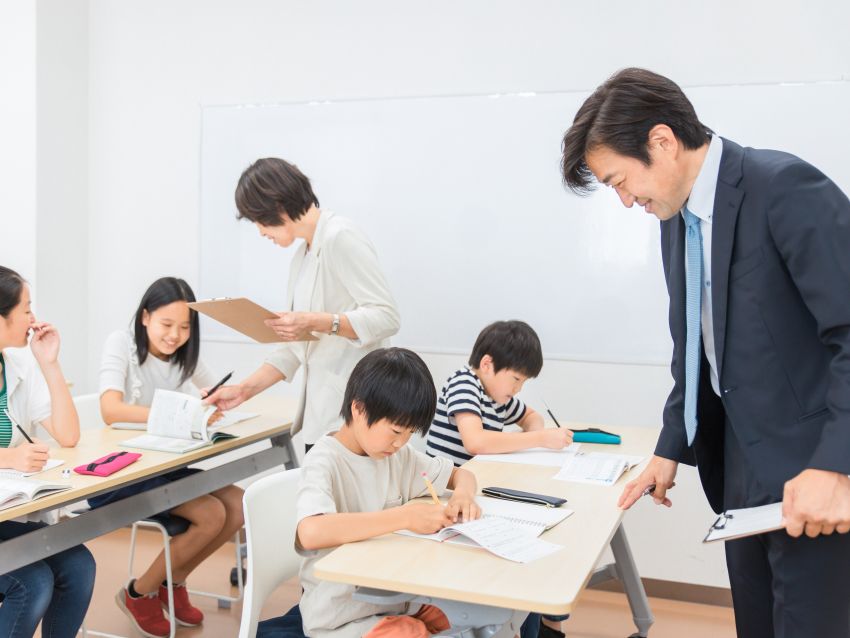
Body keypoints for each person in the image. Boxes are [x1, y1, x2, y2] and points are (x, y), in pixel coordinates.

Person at [561, 67, 850, 638]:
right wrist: (671, 447)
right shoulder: (676, 217)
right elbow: (698, 352)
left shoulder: (784, 187)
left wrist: (834, 465)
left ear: (662, 142)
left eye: (619, 181)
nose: (624, 201)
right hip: (740, 474)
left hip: (813, 474)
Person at [259, 347, 480, 638]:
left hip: (394, 599)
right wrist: (403, 517)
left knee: (471, 614)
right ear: (359, 409)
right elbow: (311, 531)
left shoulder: (397, 455)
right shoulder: (325, 460)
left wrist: (463, 495)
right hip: (340, 614)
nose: (402, 442)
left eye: (410, 434)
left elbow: (462, 474)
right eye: (396, 431)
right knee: (411, 632)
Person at [206, 158, 400, 454]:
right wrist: (243, 391)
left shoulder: (340, 237)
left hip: (355, 415)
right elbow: (295, 347)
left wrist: (316, 321)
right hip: (322, 418)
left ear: (278, 207)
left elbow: (386, 316)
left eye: (258, 220)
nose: (260, 232)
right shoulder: (303, 257)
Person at [92, 276, 244, 638]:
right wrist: (177, 413)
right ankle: (138, 592)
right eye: (166, 324)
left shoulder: (183, 355)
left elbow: (212, 391)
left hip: (165, 463)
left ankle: (171, 583)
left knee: (238, 504)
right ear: (145, 317)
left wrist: (210, 404)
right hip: (123, 470)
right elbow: (109, 409)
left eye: (184, 327)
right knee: (210, 515)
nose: (174, 335)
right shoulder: (121, 344)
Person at [425, 319, 571, 638]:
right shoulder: (465, 383)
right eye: (516, 379)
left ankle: (544, 625)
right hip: (449, 497)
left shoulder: (498, 397)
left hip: (480, 493)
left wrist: (536, 434)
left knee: (538, 541)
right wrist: (539, 440)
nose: (517, 389)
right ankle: (538, 625)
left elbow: (532, 417)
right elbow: (475, 442)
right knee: (526, 549)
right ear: (487, 364)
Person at [0, 265, 96, 638]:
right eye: (25, 308)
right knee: (33, 581)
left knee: (79, 566)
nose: (32, 318)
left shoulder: (18, 365)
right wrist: (8, 457)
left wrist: (49, 362)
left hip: (8, 510)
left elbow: (68, 434)